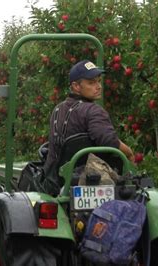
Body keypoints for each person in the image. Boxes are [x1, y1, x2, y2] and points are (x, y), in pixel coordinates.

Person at [37, 59, 135, 196]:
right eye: (91, 82)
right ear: (76, 86)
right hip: (91, 182)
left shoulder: (57, 110)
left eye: (99, 81)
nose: (98, 86)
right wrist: (129, 153)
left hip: (55, 182)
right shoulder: (93, 111)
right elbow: (108, 141)